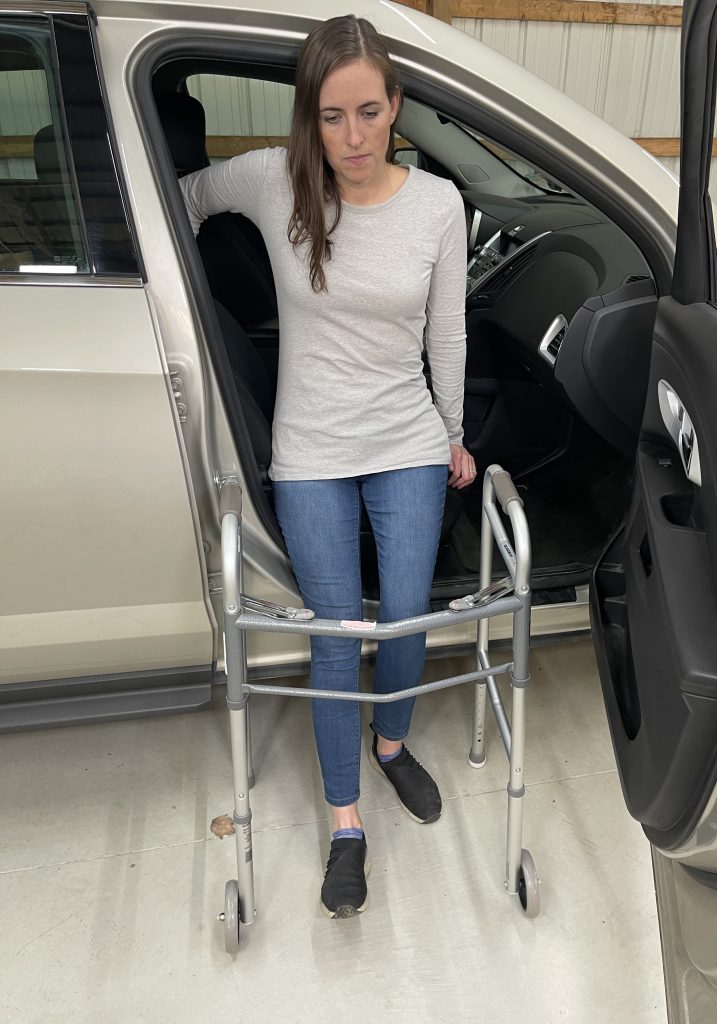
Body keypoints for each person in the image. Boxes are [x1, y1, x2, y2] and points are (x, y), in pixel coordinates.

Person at [180, 13, 475, 919]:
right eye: (331, 116)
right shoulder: (275, 180)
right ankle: (345, 822)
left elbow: (446, 332)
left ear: (396, 108)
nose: (352, 137)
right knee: (338, 632)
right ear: (309, 116)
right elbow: (175, 202)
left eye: (370, 112)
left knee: (410, 613)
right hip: (310, 450)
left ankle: (392, 744)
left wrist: (454, 433)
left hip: (408, 440)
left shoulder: (435, 205)